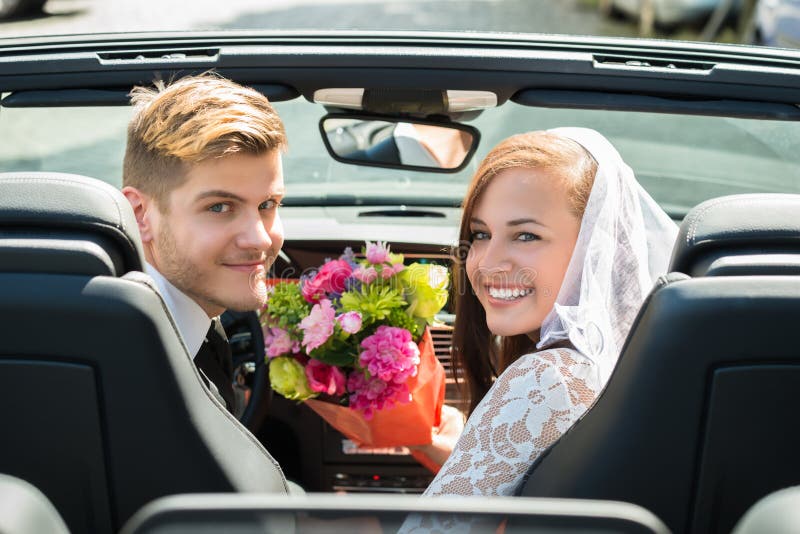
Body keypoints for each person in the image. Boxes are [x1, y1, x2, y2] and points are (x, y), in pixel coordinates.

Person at [422, 127, 678, 496]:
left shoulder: (547, 379)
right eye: (480, 234)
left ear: (593, 248)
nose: (487, 263)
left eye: (526, 236)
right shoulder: (616, 365)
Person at [121, 73, 287, 416]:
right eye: (219, 207)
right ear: (140, 214)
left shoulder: (188, 324)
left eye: (267, 205)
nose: (259, 238)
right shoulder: (130, 369)